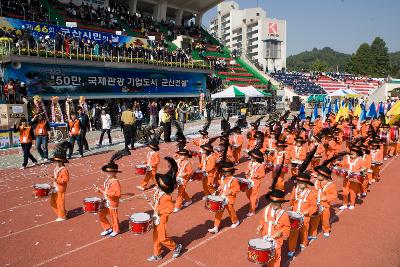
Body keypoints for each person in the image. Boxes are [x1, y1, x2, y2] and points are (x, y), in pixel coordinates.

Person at [147, 157, 182, 262]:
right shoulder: (158, 191)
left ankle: (175, 247)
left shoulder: (167, 196)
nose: (157, 184)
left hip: (162, 218)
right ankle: (157, 254)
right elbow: (157, 201)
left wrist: (160, 212)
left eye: (159, 184)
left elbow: (170, 209)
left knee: (162, 238)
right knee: (155, 236)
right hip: (156, 216)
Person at [95, 150, 128, 237]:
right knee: (101, 215)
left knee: (113, 217)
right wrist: (99, 190)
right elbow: (106, 189)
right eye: (107, 172)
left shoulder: (115, 182)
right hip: (106, 200)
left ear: (114, 172)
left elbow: (117, 193)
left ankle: (116, 230)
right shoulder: (108, 180)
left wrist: (108, 193)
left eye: (110, 172)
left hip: (113, 202)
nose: (108, 173)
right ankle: (107, 228)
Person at [256, 189, 291, 267]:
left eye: (277, 203)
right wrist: (260, 225)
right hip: (265, 237)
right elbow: (263, 220)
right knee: (267, 256)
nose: (274, 204)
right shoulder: (266, 210)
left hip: (276, 241)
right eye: (273, 202)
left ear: (281, 203)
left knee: (275, 258)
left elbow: (287, 228)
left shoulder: (284, 214)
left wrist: (281, 232)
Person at [287, 172, 317, 257]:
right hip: (295, 215)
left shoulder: (311, 194)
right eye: (299, 182)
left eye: (303, 183)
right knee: (293, 233)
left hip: (305, 217)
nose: (301, 184)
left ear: (306, 184)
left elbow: (314, 206)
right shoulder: (295, 190)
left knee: (304, 231)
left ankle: (304, 242)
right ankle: (291, 249)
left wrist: (308, 211)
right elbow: (292, 200)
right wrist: (290, 206)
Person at [208, 161, 240, 234]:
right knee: (218, 212)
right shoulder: (222, 178)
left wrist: (231, 191)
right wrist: (219, 187)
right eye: (224, 171)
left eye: (227, 172)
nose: (225, 173)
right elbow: (222, 185)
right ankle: (216, 226)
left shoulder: (234, 180)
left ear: (231, 171)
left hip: (229, 199)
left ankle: (235, 221)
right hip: (222, 198)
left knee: (231, 212)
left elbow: (237, 189)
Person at [308, 165, 338, 239]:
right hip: (316, 205)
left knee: (325, 220)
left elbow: (334, 195)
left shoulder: (330, 185)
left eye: (319, 175)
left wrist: (326, 198)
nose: (317, 176)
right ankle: (313, 233)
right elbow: (314, 191)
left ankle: (326, 230)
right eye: (317, 174)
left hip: (324, 206)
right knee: (314, 220)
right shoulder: (316, 182)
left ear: (324, 176)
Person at [49, 141, 71, 222]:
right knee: (52, 202)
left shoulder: (64, 170)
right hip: (56, 187)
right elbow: (56, 177)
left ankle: (62, 216)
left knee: (60, 203)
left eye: (58, 161)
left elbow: (65, 180)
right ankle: (63, 213)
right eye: (56, 161)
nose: (56, 162)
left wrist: (56, 179)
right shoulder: (57, 168)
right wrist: (52, 177)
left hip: (60, 188)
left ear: (62, 161)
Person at [246, 149, 265, 217]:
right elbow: (247, 170)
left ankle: (252, 211)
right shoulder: (249, 163)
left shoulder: (260, 165)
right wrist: (247, 173)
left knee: (252, 196)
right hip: (248, 181)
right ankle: (256, 201)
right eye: (251, 156)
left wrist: (257, 175)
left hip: (255, 182)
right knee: (248, 194)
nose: (251, 158)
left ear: (256, 158)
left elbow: (263, 174)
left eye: (253, 157)